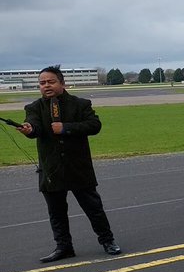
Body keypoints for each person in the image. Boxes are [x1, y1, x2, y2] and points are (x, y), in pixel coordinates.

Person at [18, 66, 121, 262]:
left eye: (50, 81)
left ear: (62, 83)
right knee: (56, 213)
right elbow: (34, 126)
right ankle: (64, 247)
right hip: (51, 170)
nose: (46, 85)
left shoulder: (80, 104)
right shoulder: (34, 107)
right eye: (42, 83)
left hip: (78, 167)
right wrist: (29, 129)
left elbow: (94, 125)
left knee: (94, 208)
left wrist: (66, 128)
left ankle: (108, 241)